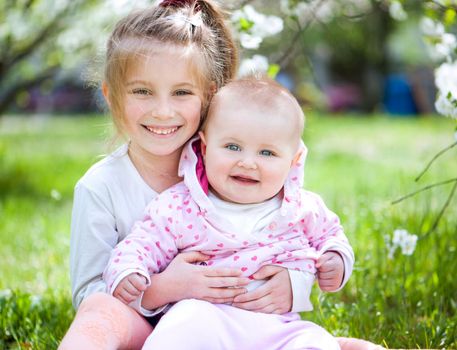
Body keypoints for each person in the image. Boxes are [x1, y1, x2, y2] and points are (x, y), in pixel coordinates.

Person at [59, 0, 384, 349]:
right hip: (150, 327)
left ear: (209, 97)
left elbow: (297, 239)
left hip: (244, 321)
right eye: (142, 91)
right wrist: (167, 288)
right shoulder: (102, 187)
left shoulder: (237, 164)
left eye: (182, 92)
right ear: (112, 97)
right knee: (101, 311)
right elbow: (90, 296)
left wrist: (297, 284)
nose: (163, 110)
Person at [104, 76, 353, 349]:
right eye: (232, 147)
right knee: (181, 327)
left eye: (267, 153)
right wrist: (129, 270)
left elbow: (332, 236)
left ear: (294, 160)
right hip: (206, 319)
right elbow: (141, 243)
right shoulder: (180, 206)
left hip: (279, 327)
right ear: (205, 147)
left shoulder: (303, 207)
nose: (247, 162)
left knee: (318, 342)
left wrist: (336, 260)